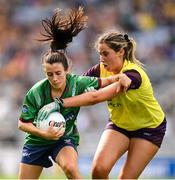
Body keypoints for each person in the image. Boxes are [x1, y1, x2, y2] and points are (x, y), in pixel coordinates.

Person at [18, 7, 129, 179]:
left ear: (67, 70)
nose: (54, 78)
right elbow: (22, 123)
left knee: (71, 168)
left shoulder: (78, 83)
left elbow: (105, 81)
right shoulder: (36, 92)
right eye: (49, 74)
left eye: (58, 73)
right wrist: (44, 133)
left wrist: (121, 77)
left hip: (64, 138)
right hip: (37, 142)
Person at [38, 32, 166, 179]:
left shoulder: (133, 75)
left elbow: (95, 97)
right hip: (120, 125)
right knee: (99, 170)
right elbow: (74, 87)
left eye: (106, 54)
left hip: (149, 128)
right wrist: (57, 59)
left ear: (121, 52)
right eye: (100, 54)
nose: (101, 59)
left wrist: (58, 104)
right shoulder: (100, 69)